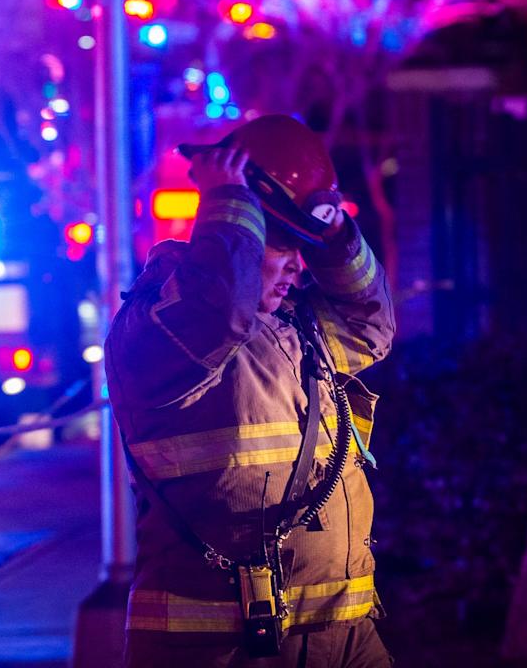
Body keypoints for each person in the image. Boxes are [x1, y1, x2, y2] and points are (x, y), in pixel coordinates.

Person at [105, 114, 396, 666]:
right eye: (279, 242)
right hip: (220, 649)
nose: (294, 264)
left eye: (300, 247)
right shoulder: (158, 331)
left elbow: (371, 328)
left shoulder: (294, 326)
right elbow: (216, 312)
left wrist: (334, 239)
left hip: (345, 635)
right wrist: (230, 201)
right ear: (237, 231)